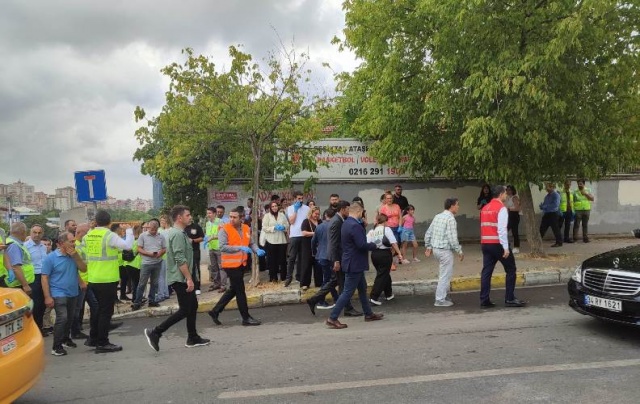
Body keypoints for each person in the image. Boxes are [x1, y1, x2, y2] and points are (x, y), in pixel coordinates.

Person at [144, 205, 210, 351]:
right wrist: (189, 278)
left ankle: (193, 337)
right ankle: (156, 332)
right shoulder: (178, 234)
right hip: (180, 277)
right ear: (179, 218)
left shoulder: (180, 233)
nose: (190, 217)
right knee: (185, 309)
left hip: (182, 276)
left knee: (192, 306)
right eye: (187, 215)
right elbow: (180, 258)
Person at [326, 203, 383, 329]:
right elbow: (361, 245)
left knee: (362, 289)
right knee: (347, 292)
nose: (362, 215)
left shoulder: (346, 223)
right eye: (362, 213)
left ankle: (368, 314)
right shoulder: (354, 225)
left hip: (351, 261)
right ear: (359, 212)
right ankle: (332, 317)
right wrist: (375, 245)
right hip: (355, 263)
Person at [83, 209, 133, 353]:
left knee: (97, 311)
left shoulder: (89, 235)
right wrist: (129, 231)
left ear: (96, 221)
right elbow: (127, 246)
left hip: (93, 278)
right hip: (107, 278)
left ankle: (93, 338)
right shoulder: (109, 235)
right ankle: (103, 342)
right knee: (106, 312)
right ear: (109, 222)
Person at [207, 207, 264, 326]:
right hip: (230, 265)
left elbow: (251, 242)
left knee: (234, 289)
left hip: (241, 263)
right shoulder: (224, 229)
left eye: (235, 217)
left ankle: (215, 311)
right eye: (231, 217)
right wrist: (239, 248)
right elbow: (222, 247)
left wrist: (257, 250)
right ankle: (246, 318)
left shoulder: (246, 228)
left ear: (241, 218)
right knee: (240, 291)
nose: (231, 219)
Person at [479, 185, 526, 308]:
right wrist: (505, 248)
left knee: (486, 272)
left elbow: (484, 226)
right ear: (500, 194)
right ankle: (509, 298)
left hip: (486, 244)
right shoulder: (501, 208)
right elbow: (502, 230)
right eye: (505, 193)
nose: (506, 195)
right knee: (511, 269)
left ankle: (484, 300)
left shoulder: (485, 208)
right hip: (497, 244)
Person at [42, 232, 87, 356]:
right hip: (58, 292)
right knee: (63, 317)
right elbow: (44, 277)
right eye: (71, 242)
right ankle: (56, 346)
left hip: (73, 291)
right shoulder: (51, 258)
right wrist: (47, 296)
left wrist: (76, 257)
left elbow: (83, 269)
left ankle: (66, 339)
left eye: (74, 241)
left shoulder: (73, 256)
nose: (74, 244)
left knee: (70, 317)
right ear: (61, 243)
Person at [424, 198, 464, 307]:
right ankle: (440, 299)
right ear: (451, 206)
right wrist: (459, 251)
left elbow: (429, 233)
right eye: (457, 204)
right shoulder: (450, 219)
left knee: (444, 273)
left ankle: (443, 295)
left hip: (436, 250)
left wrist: (428, 246)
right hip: (445, 251)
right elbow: (452, 238)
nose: (458, 207)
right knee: (445, 275)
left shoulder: (438, 216)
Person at [368, 213, 403, 306]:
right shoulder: (387, 230)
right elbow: (394, 243)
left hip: (374, 254)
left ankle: (389, 294)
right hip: (384, 254)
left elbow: (367, 242)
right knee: (382, 275)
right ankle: (373, 297)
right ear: (385, 221)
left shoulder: (372, 231)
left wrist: (376, 243)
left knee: (384, 273)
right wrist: (399, 254)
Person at [132, 219, 166, 310]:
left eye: (155, 230)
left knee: (154, 283)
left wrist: (160, 253)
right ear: (148, 228)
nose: (154, 232)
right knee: (142, 283)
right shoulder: (142, 236)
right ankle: (137, 302)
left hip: (157, 262)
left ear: (157, 228)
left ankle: (152, 301)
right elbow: (139, 249)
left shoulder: (161, 237)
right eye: (152, 230)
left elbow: (164, 248)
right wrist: (148, 254)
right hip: (146, 263)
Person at [310, 209, 337, 310]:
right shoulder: (335, 226)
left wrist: (314, 252)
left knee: (330, 278)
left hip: (321, 255)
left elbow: (313, 241)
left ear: (325, 215)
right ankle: (320, 300)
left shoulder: (319, 227)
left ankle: (336, 298)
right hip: (332, 256)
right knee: (329, 279)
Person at [25, 224, 48, 335]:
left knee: (43, 304)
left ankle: (39, 327)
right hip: (33, 277)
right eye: (35, 232)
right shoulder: (25, 247)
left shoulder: (43, 247)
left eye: (39, 233)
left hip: (44, 276)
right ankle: (34, 330)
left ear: (42, 234)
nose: (37, 235)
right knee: (36, 304)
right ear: (30, 233)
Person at [284, 191, 310, 287]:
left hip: (304, 235)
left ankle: (300, 277)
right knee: (292, 257)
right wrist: (295, 210)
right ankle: (288, 277)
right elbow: (291, 221)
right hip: (294, 235)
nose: (300, 200)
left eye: (302, 198)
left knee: (302, 258)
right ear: (294, 199)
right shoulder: (290, 208)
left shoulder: (307, 208)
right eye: (298, 198)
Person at [260, 201, 289, 282]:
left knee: (283, 260)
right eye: (272, 206)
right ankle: (273, 277)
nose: (274, 208)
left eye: (276, 206)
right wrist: (273, 228)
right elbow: (264, 228)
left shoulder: (282, 215)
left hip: (281, 240)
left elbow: (287, 225)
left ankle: (283, 277)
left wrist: (283, 227)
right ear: (270, 208)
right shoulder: (267, 216)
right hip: (271, 241)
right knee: (272, 260)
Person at [4, 222, 34, 296]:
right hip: (18, 285)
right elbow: (16, 267)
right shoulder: (14, 245)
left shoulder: (9, 242)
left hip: (16, 284)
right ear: (23, 232)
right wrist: (25, 285)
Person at [205, 206, 228, 292]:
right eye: (207, 213)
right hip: (211, 247)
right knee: (214, 267)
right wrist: (206, 238)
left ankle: (223, 285)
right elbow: (207, 234)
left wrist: (212, 237)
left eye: (210, 213)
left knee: (221, 267)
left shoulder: (220, 222)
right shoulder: (207, 223)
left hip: (219, 248)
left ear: (214, 214)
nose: (208, 215)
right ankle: (216, 283)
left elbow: (222, 234)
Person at [300, 206, 321, 289]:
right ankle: (305, 283)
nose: (317, 215)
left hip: (317, 246)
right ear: (311, 213)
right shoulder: (306, 221)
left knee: (318, 265)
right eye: (315, 214)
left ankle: (319, 283)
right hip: (307, 245)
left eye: (318, 214)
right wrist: (315, 233)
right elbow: (304, 233)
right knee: (306, 265)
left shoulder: (320, 221)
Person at [184, 218, 204, 294]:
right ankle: (188, 286)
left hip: (194, 251)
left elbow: (202, 238)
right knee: (186, 268)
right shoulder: (183, 228)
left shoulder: (196, 226)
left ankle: (197, 287)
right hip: (185, 252)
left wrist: (193, 240)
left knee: (195, 269)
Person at [539, 182, 562, 247]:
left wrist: (545, 206)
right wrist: (542, 206)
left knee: (555, 228)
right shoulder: (547, 196)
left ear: (553, 187)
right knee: (542, 228)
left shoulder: (556, 195)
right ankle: (538, 242)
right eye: (546, 187)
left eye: (549, 187)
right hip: (547, 214)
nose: (547, 188)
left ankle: (559, 242)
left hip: (553, 214)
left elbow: (555, 205)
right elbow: (545, 204)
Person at [573, 179, 595, 243]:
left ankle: (585, 238)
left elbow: (592, 199)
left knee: (585, 225)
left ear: (584, 184)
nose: (579, 185)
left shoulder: (588, 190)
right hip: (578, 210)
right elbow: (573, 201)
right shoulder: (575, 191)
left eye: (581, 184)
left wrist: (585, 194)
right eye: (578, 184)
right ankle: (575, 238)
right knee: (576, 224)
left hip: (586, 209)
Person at [505, 185, 522, 253]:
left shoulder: (514, 197)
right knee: (505, 230)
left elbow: (517, 208)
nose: (508, 191)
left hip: (514, 216)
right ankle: (506, 244)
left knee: (515, 232)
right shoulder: (507, 198)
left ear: (512, 190)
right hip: (509, 216)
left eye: (510, 190)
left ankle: (516, 247)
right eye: (507, 190)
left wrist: (509, 209)